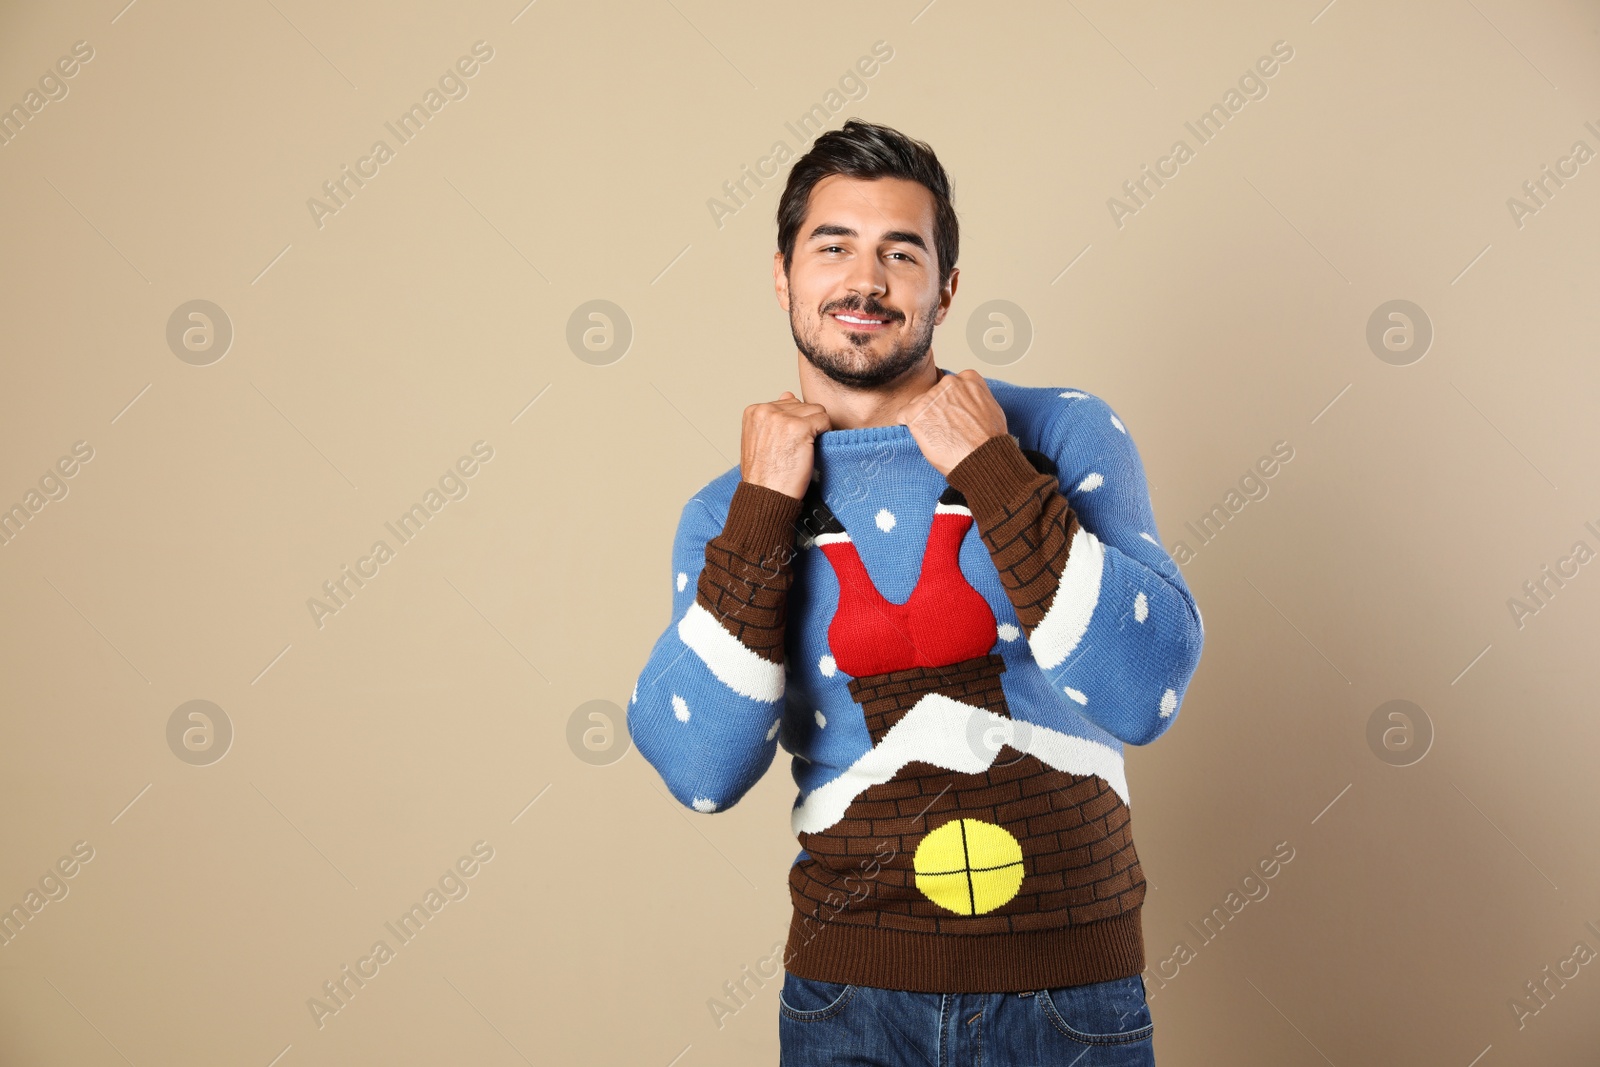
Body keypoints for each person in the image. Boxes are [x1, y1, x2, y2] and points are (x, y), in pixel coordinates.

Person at [627, 118, 1204, 1066]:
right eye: (833, 246)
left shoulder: (1057, 434)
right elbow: (699, 768)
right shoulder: (734, 508)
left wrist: (991, 467)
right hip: (850, 1000)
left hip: (1071, 993)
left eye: (902, 251)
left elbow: (1147, 692)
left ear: (946, 287)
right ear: (782, 275)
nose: (866, 279)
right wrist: (770, 504)